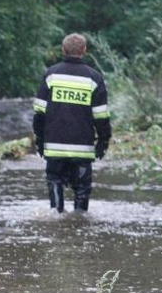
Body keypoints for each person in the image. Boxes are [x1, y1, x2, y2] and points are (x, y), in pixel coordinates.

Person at [33, 33, 112, 213]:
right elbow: (101, 116)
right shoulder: (94, 78)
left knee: (55, 181)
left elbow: (39, 113)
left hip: (54, 145)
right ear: (84, 51)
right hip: (82, 147)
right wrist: (103, 141)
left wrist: (39, 140)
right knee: (82, 190)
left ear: (63, 50)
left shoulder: (50, 75)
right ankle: (80, 224)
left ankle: (57, 217)